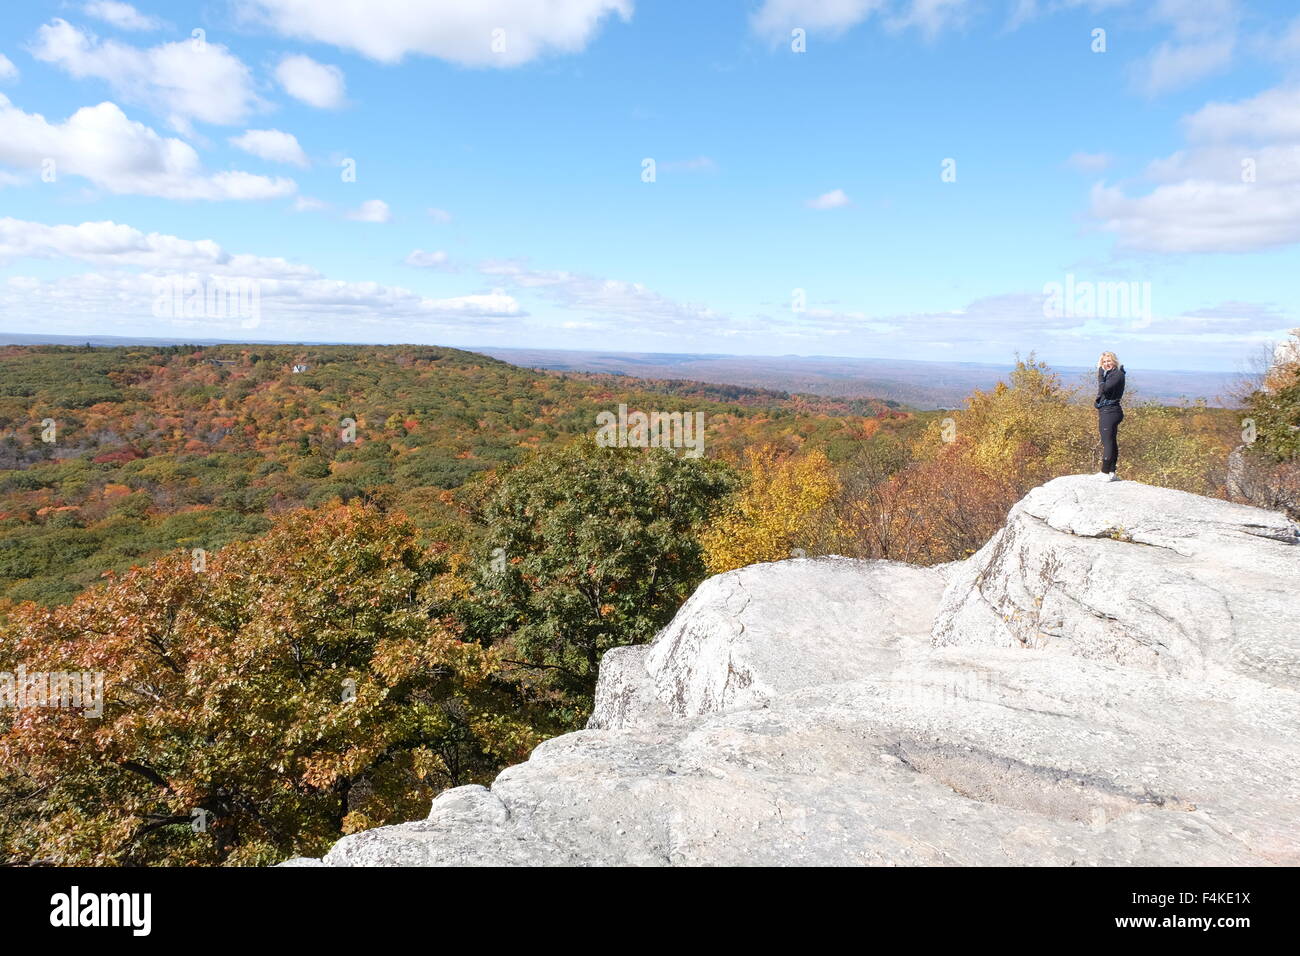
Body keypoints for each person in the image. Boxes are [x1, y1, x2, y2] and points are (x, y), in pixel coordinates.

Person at [1095, 351, 1125, 481]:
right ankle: (1112, 471)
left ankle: (1105, 472)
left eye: (1109, 361)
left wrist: (1100, 376)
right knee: (1111, 441)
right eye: (1104, 362)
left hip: (1110, 412)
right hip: (1110, 411)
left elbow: (1104, 389)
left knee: (1107, 442)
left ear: (1114, 361)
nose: (1106, 364)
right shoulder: (1113, 374)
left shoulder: (1116, 374)